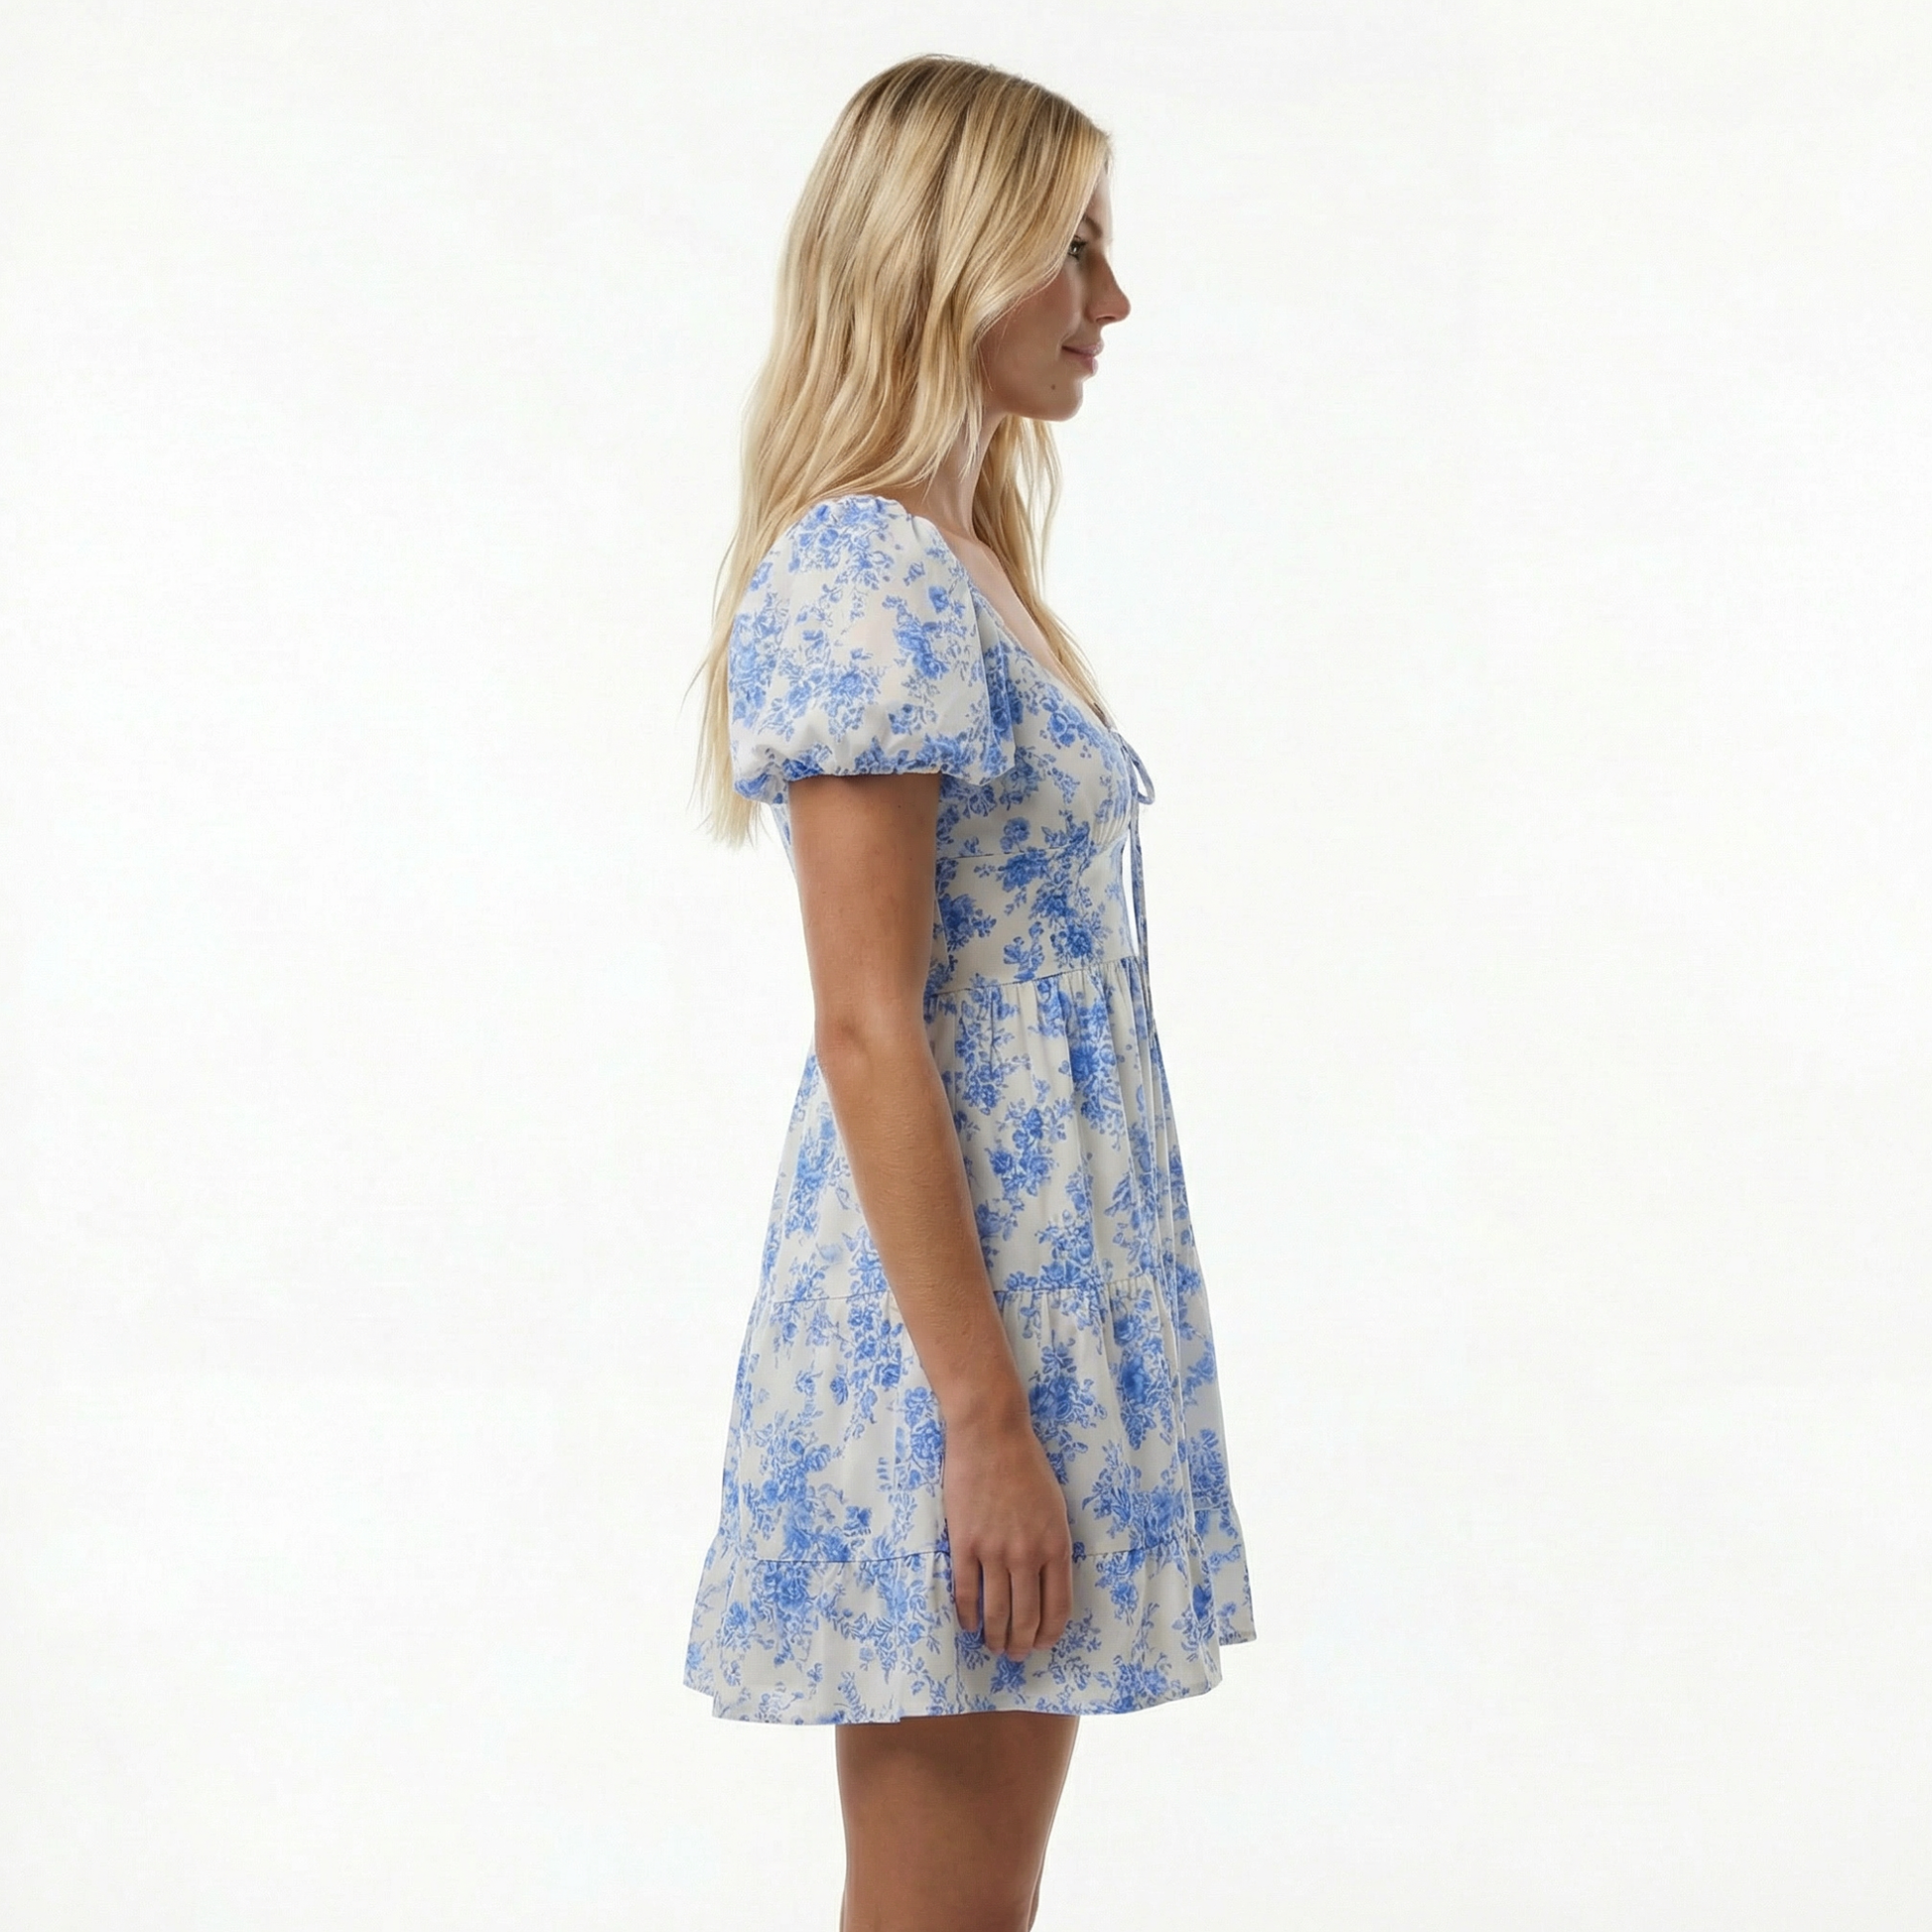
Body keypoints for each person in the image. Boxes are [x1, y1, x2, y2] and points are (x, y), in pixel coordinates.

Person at [683, 54, 1255, 1932]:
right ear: (947, 251)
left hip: (1029, 1289)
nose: (1111, 298)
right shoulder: (866, 567)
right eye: (1069, 245)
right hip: (955, 1329)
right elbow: (866, 1023)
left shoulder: (961, 558)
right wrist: (980, 1420)